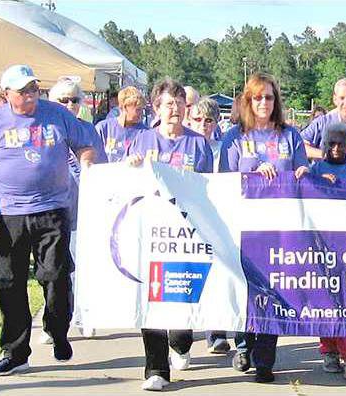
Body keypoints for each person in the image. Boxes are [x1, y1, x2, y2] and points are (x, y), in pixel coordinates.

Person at [0, 65, 96, 375]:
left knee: (55, 276)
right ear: (5, 94)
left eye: (34, 89)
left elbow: (86, 142)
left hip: (52, 209)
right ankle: (15, 350)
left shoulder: (56, 113)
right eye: (23, 91)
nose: (30, 95)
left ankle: (57, 327)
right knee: (9, 282)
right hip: (8, 212)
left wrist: (88, 167)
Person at [125, 78, 214, 391]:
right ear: (156, 108)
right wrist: (130, 165)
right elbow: (126, 184)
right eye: (168, 103)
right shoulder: (142, 141)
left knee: (180, 300)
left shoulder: (198, 144)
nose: (174, 109)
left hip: (185, 235)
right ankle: (156, 369)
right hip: (151, 234)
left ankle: (182, 342)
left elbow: (209, 188)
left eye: (179, 103)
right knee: (150, 299)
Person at [220, 72, 309, 383]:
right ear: (248, 100)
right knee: (246, 288)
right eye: (257, 97)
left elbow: (302, 169)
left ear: (276, 101)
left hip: (280, 226)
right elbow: (224, 179)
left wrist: (302, 170)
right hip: (245, 227)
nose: (263, 103)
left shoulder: (290, 135)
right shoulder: (234, 137)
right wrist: (255, 171)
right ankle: (244, 344)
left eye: (269, 97)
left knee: (273, 290)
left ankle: (265, 359)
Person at [46, 79, 108, 342]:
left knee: (82, 265)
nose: (69, 105)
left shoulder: (88, 131)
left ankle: (85, 315)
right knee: (52, 269)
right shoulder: (45, 130)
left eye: (74, 100)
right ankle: (53, 321)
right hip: (49, 207)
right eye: (63, 100)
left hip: (82, 207)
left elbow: (102, 168)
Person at [311, 123, 346, 381]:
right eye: (331, 143)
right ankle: (329, 350)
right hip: (323, 242)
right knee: (326, 299)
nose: (335, 148)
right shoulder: (316, 169)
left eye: (340, 144)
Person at [187, 97, 228, 351]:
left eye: (209, 120)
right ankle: (184, 332)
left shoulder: (222, 147)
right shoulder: (187, 145)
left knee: (218, 274)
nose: (203, 124)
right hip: (190, 215)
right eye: (198, 119)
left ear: (216, 122)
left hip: (219, 215)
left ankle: (217, 332)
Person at [96, 86, 147, 163]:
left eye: (142, 109)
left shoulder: (144, 133)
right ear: (125, 107)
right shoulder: (104, 128)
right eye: (138, 110)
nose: (141, 114)